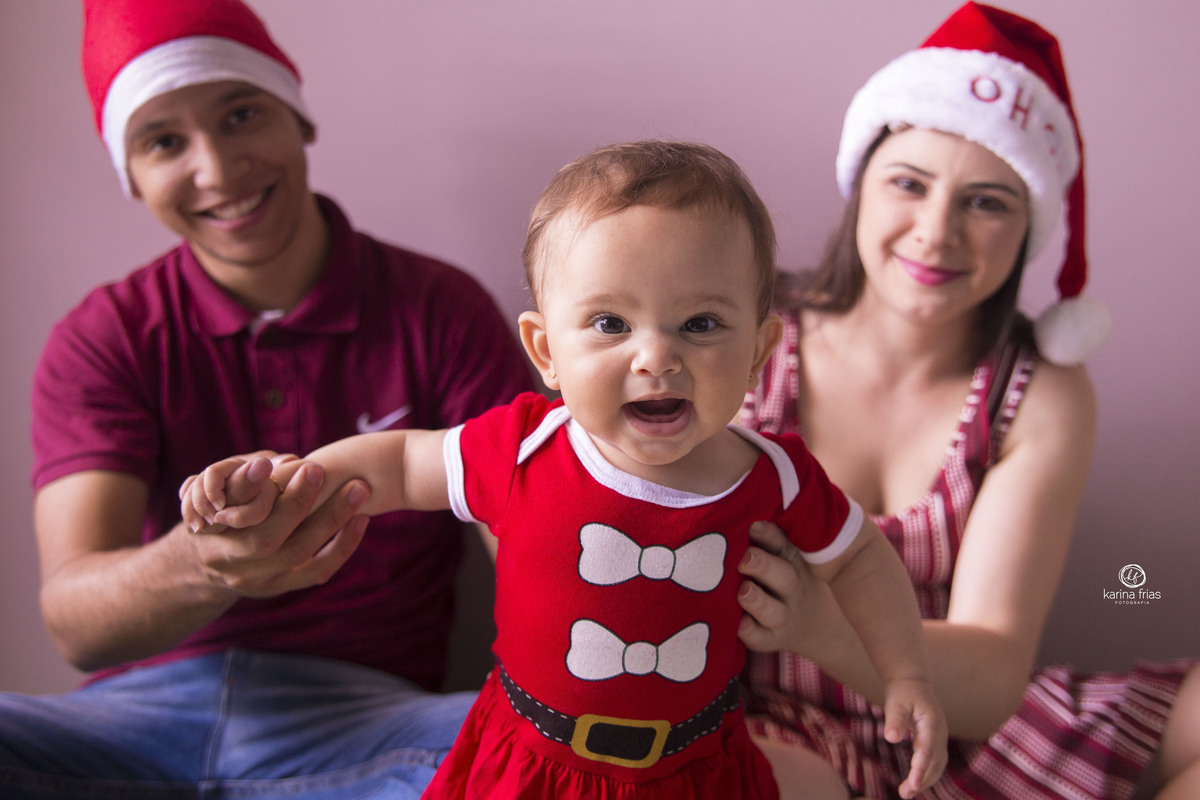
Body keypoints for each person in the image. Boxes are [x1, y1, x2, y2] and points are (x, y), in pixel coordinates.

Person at [181, 140, 949, 799]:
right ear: (547, 351)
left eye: (702, 324)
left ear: (758, 350)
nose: (656, 356)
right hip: (536, 758)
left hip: (698, 764)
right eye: (610, 323)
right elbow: (400, 459)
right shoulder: (523, 447)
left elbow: (856, 556)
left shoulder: (773, 474)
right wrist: (290, 483)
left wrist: (904, 673)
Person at [0, 0, 533, 798]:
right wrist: (204, 562)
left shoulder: (436, 309)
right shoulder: (103, 336)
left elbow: (529, 542)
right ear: (133, 175)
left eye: (241, 113)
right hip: (131, 727)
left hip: (371, 723)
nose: (216, 170)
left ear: (298, 117)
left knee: (545, 758)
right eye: (164, 142)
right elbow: (77, 625)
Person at [732, 3, 1200, 800]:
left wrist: (825, 625)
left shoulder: (1040, 392)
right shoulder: (746, 334)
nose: (938, 231)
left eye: (987, 202)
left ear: (1026, 231)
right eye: (909, 184)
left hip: (962, 722)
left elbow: (990, 679)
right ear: (861, 191)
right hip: (774, 727)